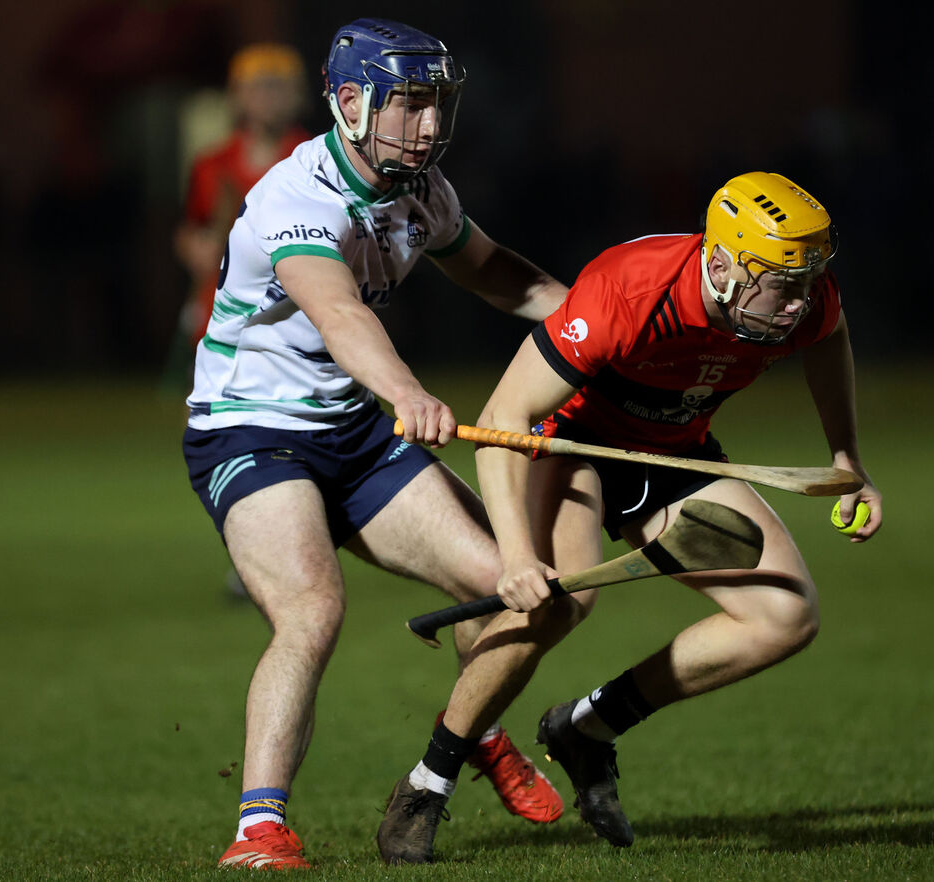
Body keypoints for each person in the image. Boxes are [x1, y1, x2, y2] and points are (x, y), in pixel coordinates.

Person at [377, 171, 882, 860]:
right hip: (572, 443)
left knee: (786, 615)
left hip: (675, 455)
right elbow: (504, 419)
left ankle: (586, 728)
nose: (797, 307)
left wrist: (847, 456)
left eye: (807, 285)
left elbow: (829, 337)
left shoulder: (801, 297)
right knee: (554, 606)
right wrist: (520, 557)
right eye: (782, 286)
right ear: (724, 265)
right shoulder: (630, 290)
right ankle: (424, 786)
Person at [181, 19, 569, 871]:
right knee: (312, 610)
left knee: (515, 592)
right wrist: (405, 392)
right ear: (352, 104)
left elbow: (502, 275)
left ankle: (471, 733)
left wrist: (597, 331)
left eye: (440, 105)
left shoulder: (421, 190)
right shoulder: (297, 197)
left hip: (352, 432)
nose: (432, 126)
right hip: (253, 430)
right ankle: (259, 830)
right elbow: (340, 312)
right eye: (413, 106)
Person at [170, 43, 312, 379]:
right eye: (257, 87)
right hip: (223, 313)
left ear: (298, 95)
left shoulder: (312, 158)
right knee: (210, 420)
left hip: (295, 315)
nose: (267, 97)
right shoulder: (211, 164)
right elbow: (191, 226)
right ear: (236, 95)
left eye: (277, 87)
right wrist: (195, 247)